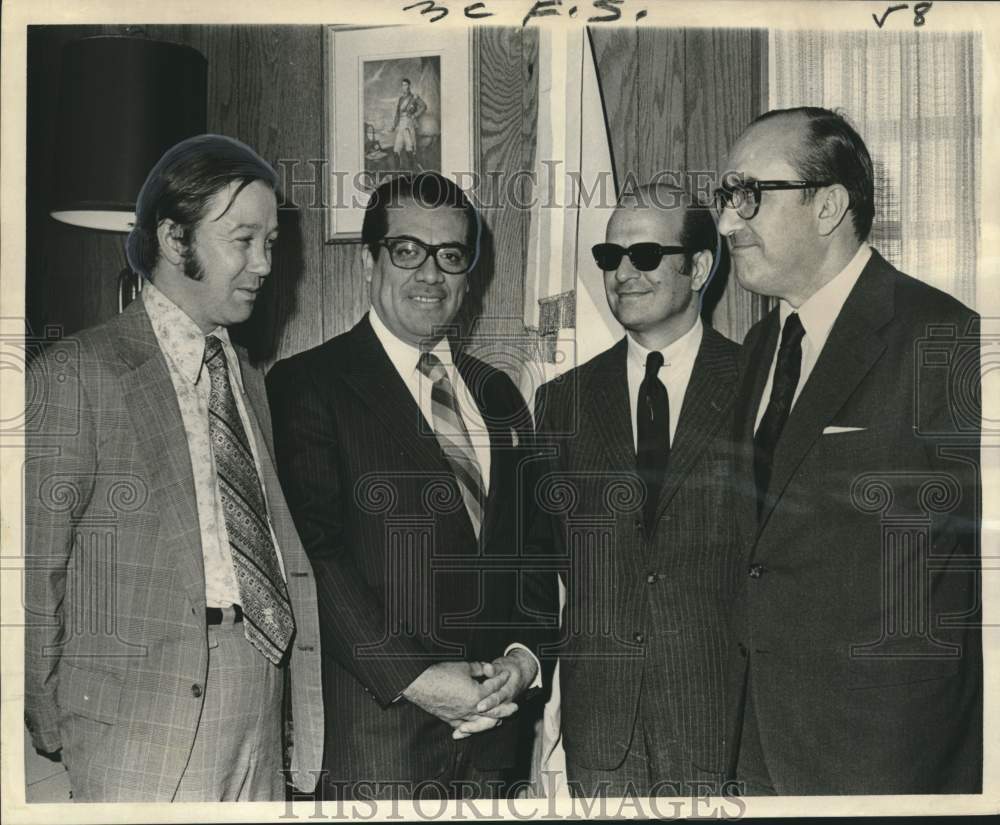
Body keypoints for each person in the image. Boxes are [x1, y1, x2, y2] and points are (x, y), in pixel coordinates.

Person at [23, 134, 324, 801]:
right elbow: (29, 569)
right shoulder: (76, 374)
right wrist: (56, 717)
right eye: (242, 239)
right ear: (172, 235)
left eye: (271, 243)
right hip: (139, 718)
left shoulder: (245, 376)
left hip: (259, 693)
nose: (264, 263)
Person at [715, 106, 982, 794]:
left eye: (749, 195)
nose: (725, 223)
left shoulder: (942, 338)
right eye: (725, 196)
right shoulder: (759, 349)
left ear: (828, 204)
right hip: (760, 750)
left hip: (885, 756)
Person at [266, 172, 556, 800]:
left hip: (495, 744)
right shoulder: (308, 385)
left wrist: (523, 658)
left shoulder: (500, 395)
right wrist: (419, 679)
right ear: (371, 261)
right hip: (380, 740)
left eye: (451, 255)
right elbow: (317, 557)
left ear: (469, 274)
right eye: (407, 250)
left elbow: (534, 549)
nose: (431, 273)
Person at [531, 183, 740, 797]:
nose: (622, 274)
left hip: (722, 727)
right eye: (609, 257)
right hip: (603, 738)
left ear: (699, 266)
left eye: (645, 256)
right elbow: (543, 566)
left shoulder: (758, 385)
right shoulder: (561, 402)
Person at [391, 78, 427, 172]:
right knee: (396, 150)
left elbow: (424, 106)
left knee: (409, 149)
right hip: (401, 126)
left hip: (409, 125)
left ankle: (411, 173)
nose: (404, 87)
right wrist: (394, 125)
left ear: (409, 86)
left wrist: (415, 115)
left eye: (406, 85)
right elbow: (397, 114)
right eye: (403, 85)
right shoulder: (400, 99)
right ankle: (397, 172)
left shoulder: (414, 97)